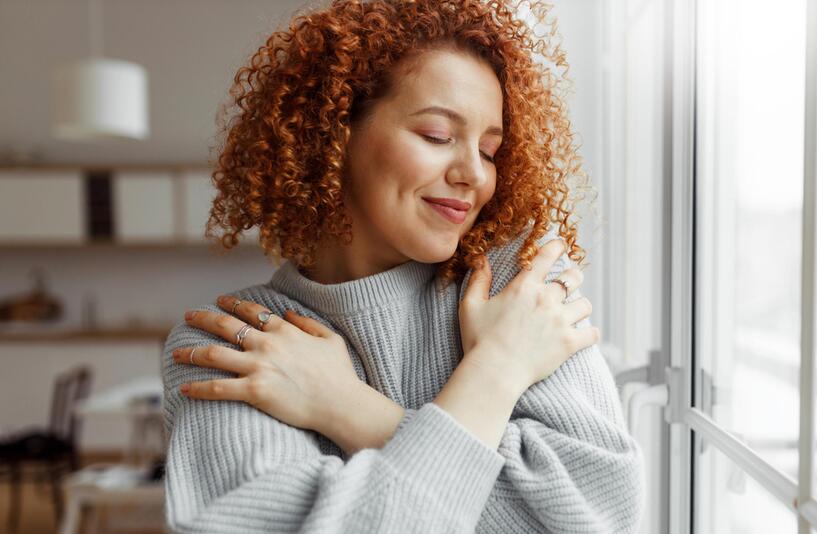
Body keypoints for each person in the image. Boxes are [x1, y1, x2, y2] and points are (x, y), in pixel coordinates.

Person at [161, 0, 644, 532]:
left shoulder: (516, 292)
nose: (472, 175)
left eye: (488, 150)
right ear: (334, 134)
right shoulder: (238, 340)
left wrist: (350, 409)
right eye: (437, 136)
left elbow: (601, 517)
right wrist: (501, 370)